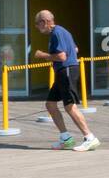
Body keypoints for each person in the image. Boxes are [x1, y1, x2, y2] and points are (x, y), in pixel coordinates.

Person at [33, 10, 99, 151]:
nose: (37, 27)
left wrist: (43, 55)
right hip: (63, 71)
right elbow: (75, 49)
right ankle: (66, 138)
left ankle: (90, 138)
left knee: (70, 106)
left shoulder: (57, 33)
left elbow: (62, 56)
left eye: (37, 24)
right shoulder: (62, 32)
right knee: (50, 104)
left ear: (45, 22)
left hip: (66, 71)